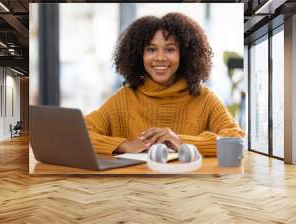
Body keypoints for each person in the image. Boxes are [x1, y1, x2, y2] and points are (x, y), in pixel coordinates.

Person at [85, 12, 244, 157]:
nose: (160, 57)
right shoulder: (123, 99)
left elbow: (235, 140)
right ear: (140, 55)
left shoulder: (205, 98)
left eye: (169, 49)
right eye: (151, 49)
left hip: (190, 184)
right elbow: (79, 133)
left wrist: (181, 141)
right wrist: (123, 145)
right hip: (135, 184)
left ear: (184, 54)